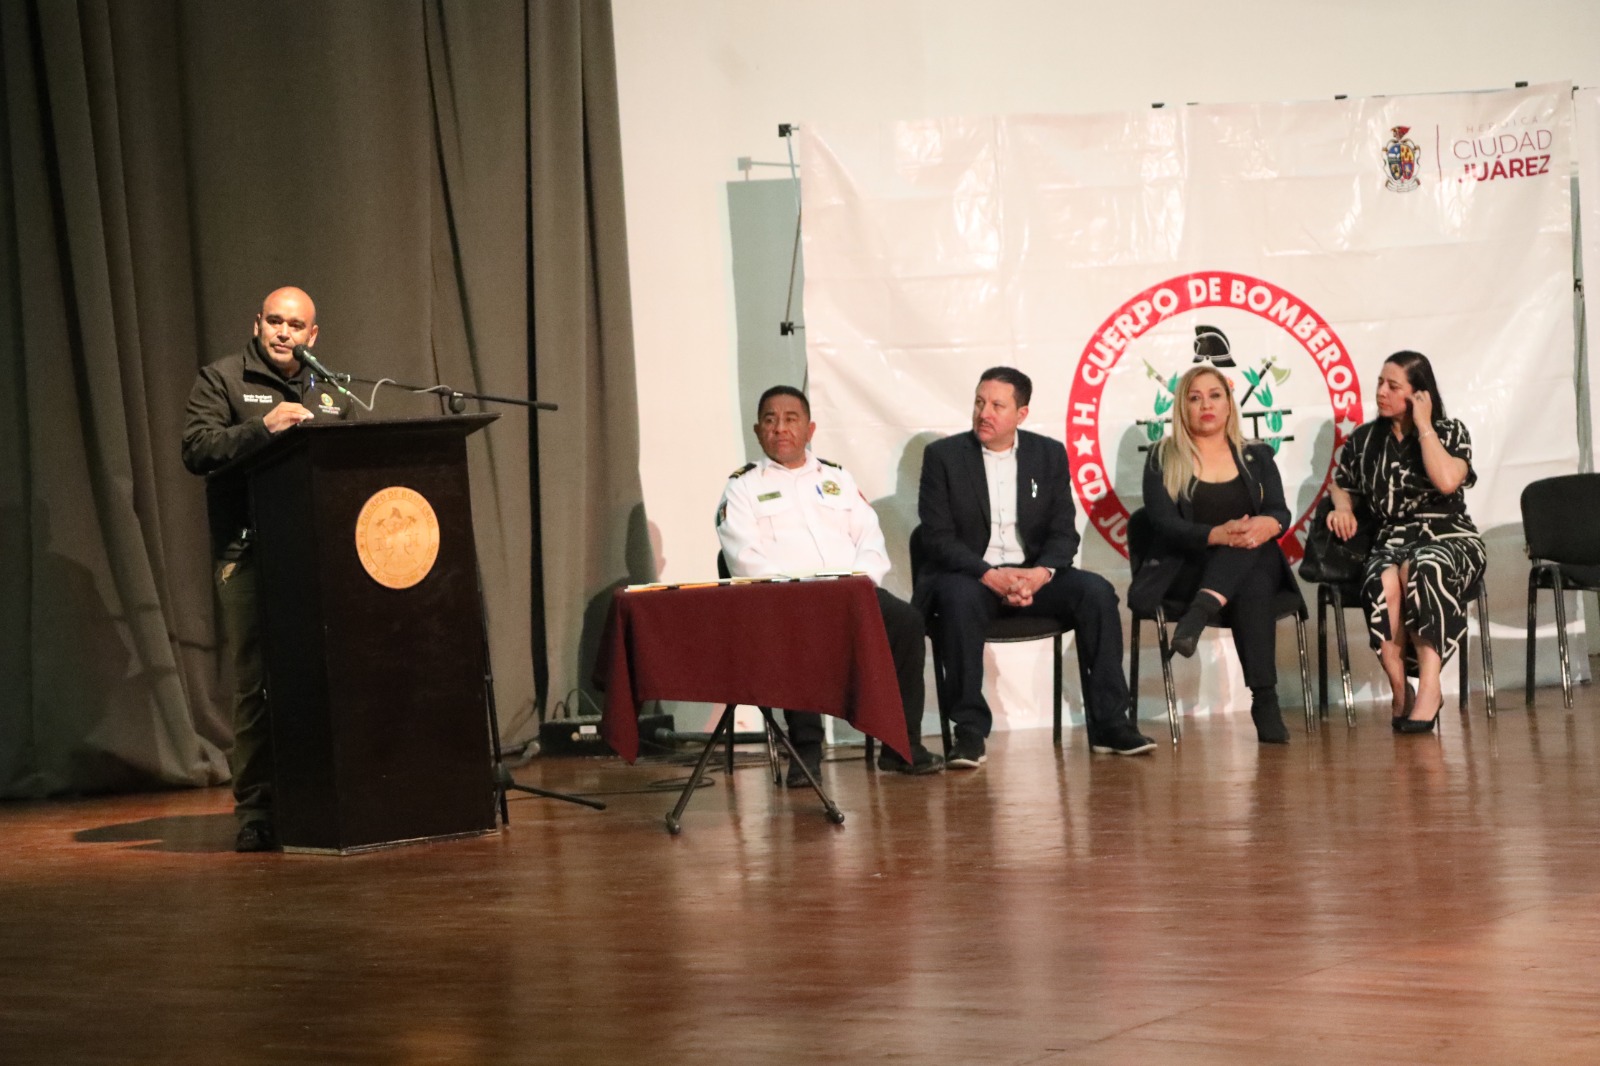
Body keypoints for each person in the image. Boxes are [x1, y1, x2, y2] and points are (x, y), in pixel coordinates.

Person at [915, 367, 1156, 766]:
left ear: (1021, 414)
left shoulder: (1048, 454)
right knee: (956, 599)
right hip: (973, 577)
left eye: (997, 405)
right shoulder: (944, 457)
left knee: (1096, 593)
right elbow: (937, 538)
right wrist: (989, 575)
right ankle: (970, 732)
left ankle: (1111, 724)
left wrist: (1040, 574)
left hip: (1033, 577)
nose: (983, 413)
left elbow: (1064, 533)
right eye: (979, 402)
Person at [181, 287, 351, 851]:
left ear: (312, 334)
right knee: (257, 686)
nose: (283, 332)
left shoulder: (330, 389)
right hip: (248, 552)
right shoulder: (223, 379)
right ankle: (256, 810)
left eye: (295, 325)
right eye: (274, 321)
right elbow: (197, 449)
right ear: (257, 324)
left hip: (317, 554)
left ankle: (324, 797)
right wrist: (264, 427)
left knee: (325, 677)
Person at [717, 385, 945, 785]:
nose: (780, 428)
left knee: (907, 622)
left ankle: (902, 747)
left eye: (791, 419)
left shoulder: (838, 478)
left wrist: (857, 585)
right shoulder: (742, 487)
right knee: (799, 628)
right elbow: (742, 556)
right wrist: (797, 591)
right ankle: (806, 753)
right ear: (757, 431)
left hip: (850, 594)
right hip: (787, 602)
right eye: (770, 420)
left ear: (810, 429)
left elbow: (870, 539)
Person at [1132, 364, 1296, 744]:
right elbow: (1163, 524)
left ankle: (1200, 614)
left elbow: (1279, 511)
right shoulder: (1162, 457)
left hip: (1246, 571)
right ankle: (1265, 701)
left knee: (1254, 553)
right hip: (1188, 571)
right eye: (1195, 398)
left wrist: (1268, 524)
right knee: (1251, 560)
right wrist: (1218, 534)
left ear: (1229, 404)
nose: (1206, 405)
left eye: (1215, 395)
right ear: (1182, 408)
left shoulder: (1256, 455)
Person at [1325, 350, 1485, 734]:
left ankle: (1430, 688)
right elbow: (1341, 484)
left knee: (1424, 566)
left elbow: (1447, 480)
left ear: (1419, 393)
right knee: (1380, 579)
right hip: (1391, 539)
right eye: (1380, 382)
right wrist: (1343, 507)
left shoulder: (1450, 432)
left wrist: (1424, 425)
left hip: (1449, 536)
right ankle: (1400, 690)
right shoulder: (1364, 439)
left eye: (1393, 386)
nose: (1381, 392)